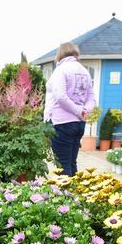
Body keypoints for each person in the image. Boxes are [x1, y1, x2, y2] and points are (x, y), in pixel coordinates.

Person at [43, 43, 96, 176]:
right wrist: (85, 111)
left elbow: (60, 96)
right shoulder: (85, 71)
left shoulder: (61, 70)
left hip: (61, 122)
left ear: (60, 54)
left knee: (62, 165)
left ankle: (65, 195)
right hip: (79, 124)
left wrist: (79, 111)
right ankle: (75, 194)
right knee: (72, 162)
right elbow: (92, 98)